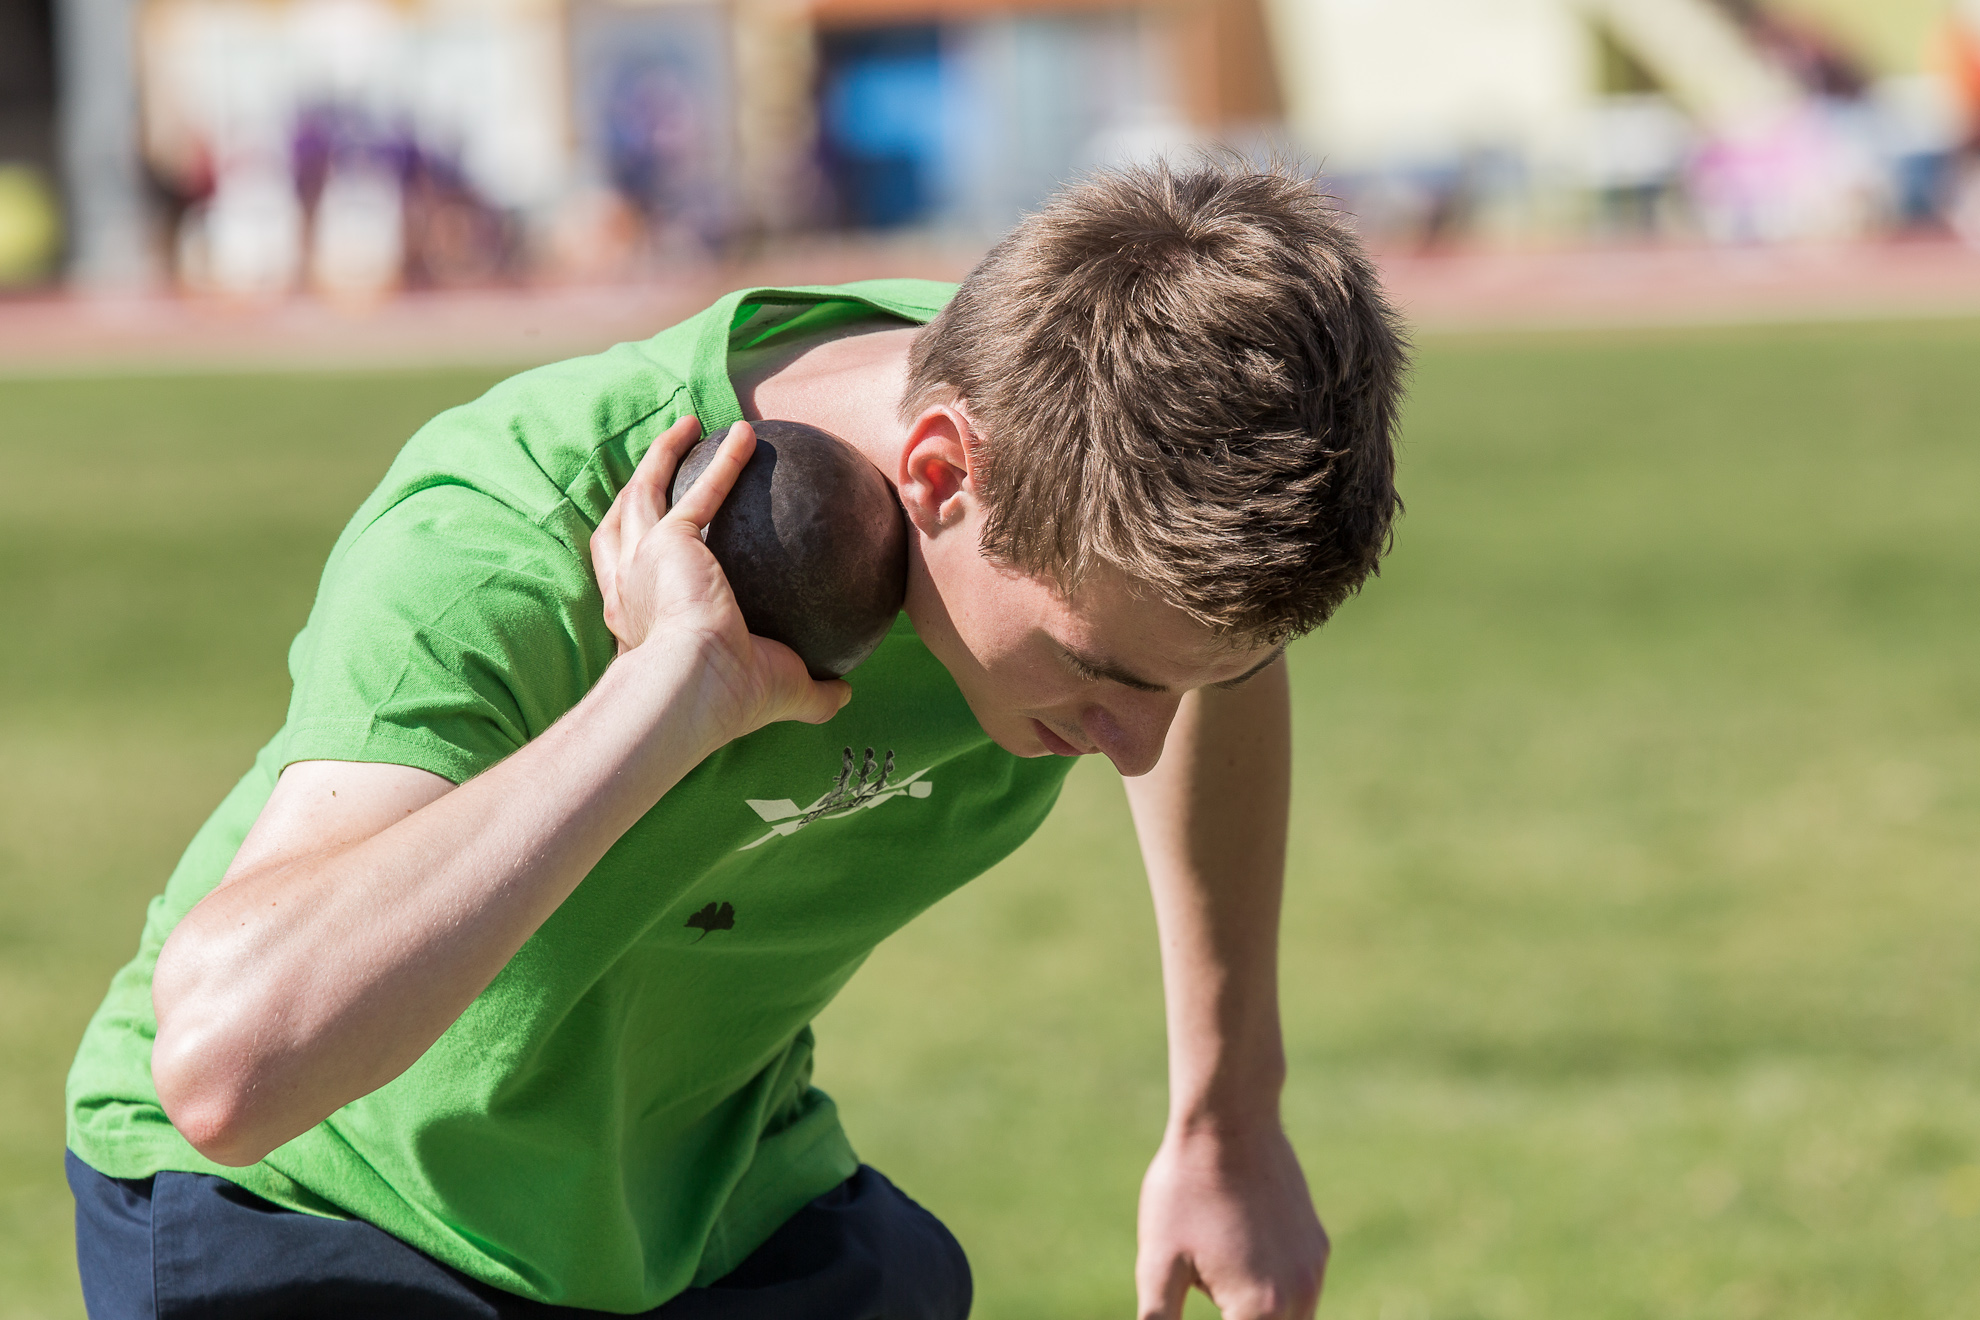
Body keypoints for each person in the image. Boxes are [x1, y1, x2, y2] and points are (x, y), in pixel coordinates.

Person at [64, 158, 1406, 1320]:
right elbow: (230, 1072)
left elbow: (1208, 668)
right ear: (943, 474)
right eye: (1100, 675)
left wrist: (1228, 1114)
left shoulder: (1112, 497)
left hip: (692, 1205)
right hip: (317, 1200)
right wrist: (666, 697)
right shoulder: (512, 528)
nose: (1136, 747)